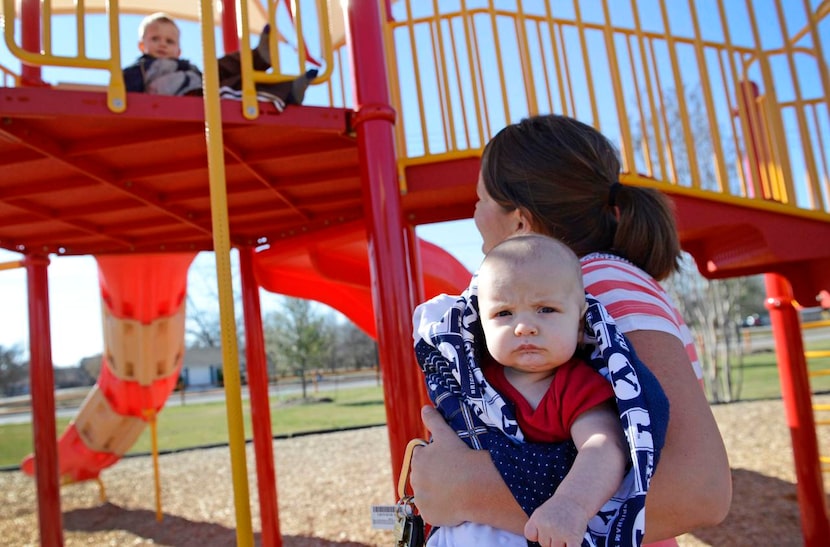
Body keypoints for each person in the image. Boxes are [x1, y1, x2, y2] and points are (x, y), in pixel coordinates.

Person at [409, 114, 732, 546]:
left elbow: (699, 490)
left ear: (520, 223)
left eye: (480, 198)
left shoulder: (595, 282)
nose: (474, 214)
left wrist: (469, 490)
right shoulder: (586, 283)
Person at [414, 233, 649, 546]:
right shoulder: (473, 384)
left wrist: (572, 505)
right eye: (504, 313)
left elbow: (605, 447)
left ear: (580, 325)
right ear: (480, 324)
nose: (524, 326)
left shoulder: (575, 385)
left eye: (545, 309)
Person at [123, 12, 317, 106]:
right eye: (155, 39)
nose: (162, 44)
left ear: (179, 50)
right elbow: (126, 90)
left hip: (199, 85)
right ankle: (288, 92)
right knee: (233, 88)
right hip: (185, 99)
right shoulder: (141, 68)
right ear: (142, 46)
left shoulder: (186, 66)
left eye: (169, 41)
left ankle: (257, 57)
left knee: (218, 68)